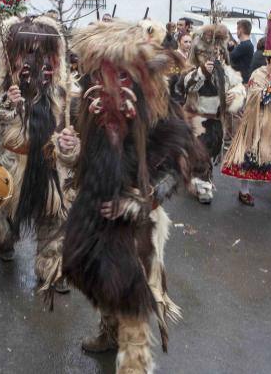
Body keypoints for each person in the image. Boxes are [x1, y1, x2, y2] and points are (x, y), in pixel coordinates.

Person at [57, 21, 198, 373]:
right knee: (97, 279)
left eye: (119, 75)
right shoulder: (87, 105)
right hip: (94, 209)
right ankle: (107, 332)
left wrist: (141, 202)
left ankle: (133, 362)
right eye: (101, 73)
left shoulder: (158, 111)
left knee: (133, 297)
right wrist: (66, 149)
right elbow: (78, 158)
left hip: (137, 222)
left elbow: (178, 167)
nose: (108, 83)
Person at [0, 16, 79, 289]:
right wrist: (6, 103)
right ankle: (7, 239)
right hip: (10, 164)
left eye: (41, 53)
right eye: (26, 52)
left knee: (54, 217)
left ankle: (51, 268)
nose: (34, 61)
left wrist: (71, 143)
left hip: (49, 164)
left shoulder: (65, 92)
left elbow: (78, 130)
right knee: (7, 216)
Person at [175, 25, 246, 204]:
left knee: (211, 153)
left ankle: (199, 178)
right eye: (210, 54)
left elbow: (238, 85)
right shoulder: (191, 69)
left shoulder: (225, 71)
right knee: (201, 153)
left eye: (219, 53)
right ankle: (203, 187)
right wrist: (203, 72)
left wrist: (235, 95)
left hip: (215, 121)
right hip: (197, 119)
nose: (215, 57)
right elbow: (185, 85)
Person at [221, 55, 271, 212]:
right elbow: (257, 99)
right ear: (268, 60)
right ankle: (244, 191)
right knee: (247, 157)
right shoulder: (258, 74)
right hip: (257, 123)